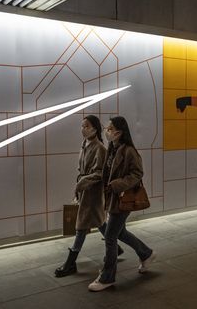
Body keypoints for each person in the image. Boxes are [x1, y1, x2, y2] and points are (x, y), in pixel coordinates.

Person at [88, 116, 156, 292]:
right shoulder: (112, 148)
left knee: (110, 237)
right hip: (114, 199)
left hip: (123, 198)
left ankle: (107, 277)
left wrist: (117, 184)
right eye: (107, 128)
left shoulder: (129, 151)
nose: (107, 131)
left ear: (119, 132)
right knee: (121, 232)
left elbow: (137, 173)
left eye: (110, 129)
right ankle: (146, 253)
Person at [55, 115, 123, 278]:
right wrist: (79, 185)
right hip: (85, 190)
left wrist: (81, 183)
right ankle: (117, 248)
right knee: (99, 222)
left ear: (94, 129)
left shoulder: (99, 147)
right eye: (82, 126)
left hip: (92, 192)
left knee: (81, 226)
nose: (83, 129)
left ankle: (71, 263)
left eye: (86, 126)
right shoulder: (85, 144)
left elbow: (100, 173)